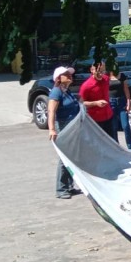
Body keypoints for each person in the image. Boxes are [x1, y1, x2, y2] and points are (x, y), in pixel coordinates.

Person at [47, 66, 81, 199]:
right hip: (62, 127)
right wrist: (52, 129)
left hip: (71, 127)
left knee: (71, 157)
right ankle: (61, 189)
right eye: (66, 74)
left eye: (69, 74)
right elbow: (51, 111)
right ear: (58, 78)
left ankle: (69, 186)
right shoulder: (56, 92)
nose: (69, 76)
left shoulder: (66, 91)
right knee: (64, 158)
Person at [79, 60, 115, 141]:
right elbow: (81, 103)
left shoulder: (106, 79)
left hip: (108, 116)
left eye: (103, 71)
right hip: (95, 120)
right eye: (98, 71)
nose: (101, 73)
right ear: (92, 70)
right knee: (98, 143)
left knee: (112, 142)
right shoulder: (86, 86)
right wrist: (96, 103)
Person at [109, 69, 131, 151]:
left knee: (125, 125)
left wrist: (128, 101)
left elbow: (126, 89)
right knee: (114, 126)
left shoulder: (122, 75)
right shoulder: (106, 76)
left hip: (121, 101)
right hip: (111, 102)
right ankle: (117, 148)